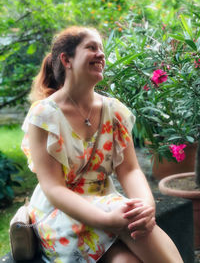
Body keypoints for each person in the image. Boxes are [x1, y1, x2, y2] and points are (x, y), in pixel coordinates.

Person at [21, 26, 183, 263]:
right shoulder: (44, 117)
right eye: (91, 47)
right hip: (61, 215)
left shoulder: (114, 111)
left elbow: (130, 169)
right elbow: (53, 188)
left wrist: (146, 208)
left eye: (102, 49)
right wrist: (106, 220)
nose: (101, 54)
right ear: (66, 59)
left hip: (108, 208)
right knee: (129, 218)